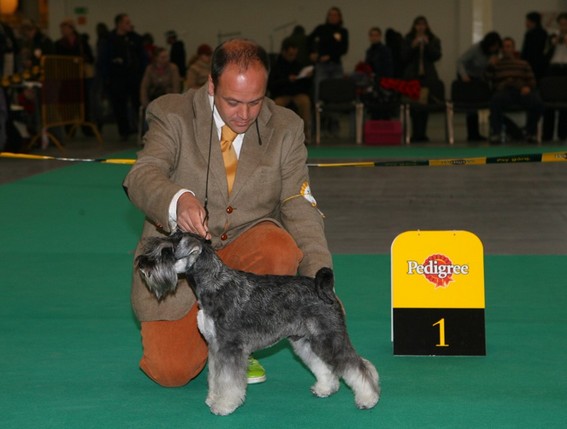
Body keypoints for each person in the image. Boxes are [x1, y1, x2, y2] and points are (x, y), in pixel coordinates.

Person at [122, 38, 332, 388]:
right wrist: (177, 199)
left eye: (255, 101)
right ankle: (216, 340)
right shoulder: (172, 113)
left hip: (249, 255)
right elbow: (142, 175)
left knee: (278, 247)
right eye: (233, 102)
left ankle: (241, 341)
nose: (245, 114)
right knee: (170, 371)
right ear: (211, 85)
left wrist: (319, 283)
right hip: (184, 265)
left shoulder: (286, 127)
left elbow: (299, 204)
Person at [486, 37, 544, 143]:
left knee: (537, 102)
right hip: (504, 91)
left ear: (513, 48)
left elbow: (532, 80)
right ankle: (496, 133)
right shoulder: (497, 64)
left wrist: (528, 87)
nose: (505, 49)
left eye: (508, 47)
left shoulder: (523, 64)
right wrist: (490, 65)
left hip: (522, 91)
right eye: (504, 47)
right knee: (495, 100)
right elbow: (487, 79)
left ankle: (530, 132)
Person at [101, 13, 147, 141]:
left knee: (137, 102)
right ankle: (124, 130)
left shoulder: (135, 39)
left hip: (134, 76)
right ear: (119, 24)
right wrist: (106, 77)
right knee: (119, 104)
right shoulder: (109, 40)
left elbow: (142, 57)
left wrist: (142, 73)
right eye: (126, 22)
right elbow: (104, 60)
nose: (130, 25)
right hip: (117, 77)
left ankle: (142, 130)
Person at [401, 16, 442, 142]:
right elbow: (403, 57)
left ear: (426, 26)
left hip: (426, 78)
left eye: (423, 24)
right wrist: (413, 46)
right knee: (414, 106)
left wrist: (427, 44)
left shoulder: (434, 39)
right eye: (418, 24)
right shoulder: (408, 39)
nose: (420, 27)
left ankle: (422, 133)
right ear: (414, 26)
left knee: (424, 105)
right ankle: (415, 133)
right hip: (412, 77)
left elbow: (437, 56)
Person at [456, 31, 502, 141]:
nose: (495, 49)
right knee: (471, 106)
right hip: (468, 78)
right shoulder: (475, 49)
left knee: (478, 104)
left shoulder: (493, 53)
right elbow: (460, 61)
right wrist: (464, 75)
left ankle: (478, 133)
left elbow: (487, 71)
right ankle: (472, 134)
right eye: (494, 46)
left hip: (479, 78)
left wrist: (491, 65)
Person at [268, 39, 313, 143]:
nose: (292, 56)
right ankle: (278, 135)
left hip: (297, 94)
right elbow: (272, 85)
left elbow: (306, 86)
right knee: (277, 105)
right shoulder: (276, 66)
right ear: (284, 52)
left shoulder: (299, 65)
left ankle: (304, 134)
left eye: (294, 54)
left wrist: (307, 78)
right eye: (290, 54)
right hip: (282, 94)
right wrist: (287, 80)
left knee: (305, 102)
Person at [308, 6, 349, 102]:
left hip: (336, 65)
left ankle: (336, 109)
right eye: (330, 15)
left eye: (335, 15)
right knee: (319, 89)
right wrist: (311, 53)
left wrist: (330, 56)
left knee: (337, 90)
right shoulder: (321, 29)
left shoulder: (343, 31)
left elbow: (344, 49)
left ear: (339, 17)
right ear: (327, 16)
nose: (333, 17)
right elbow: (309, 40)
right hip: (321, 65)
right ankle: (318, 109)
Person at [542, 12, 567, 141]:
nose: (563, 27)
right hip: (553, 68)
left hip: (566, 68)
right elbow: (545, 54)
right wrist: (554, 44)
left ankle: (563, 133)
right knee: (549, 101)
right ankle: (547, 134)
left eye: (565, 24)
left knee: (565, 102)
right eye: (561, 24)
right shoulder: (552, 36)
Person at [521, 11, 548, 82]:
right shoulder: (543, 33)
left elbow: (526, 50)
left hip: (532, 63)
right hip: (540, 63)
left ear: (533, 22)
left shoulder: (530, 34)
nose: (526, 23)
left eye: (527, 21)